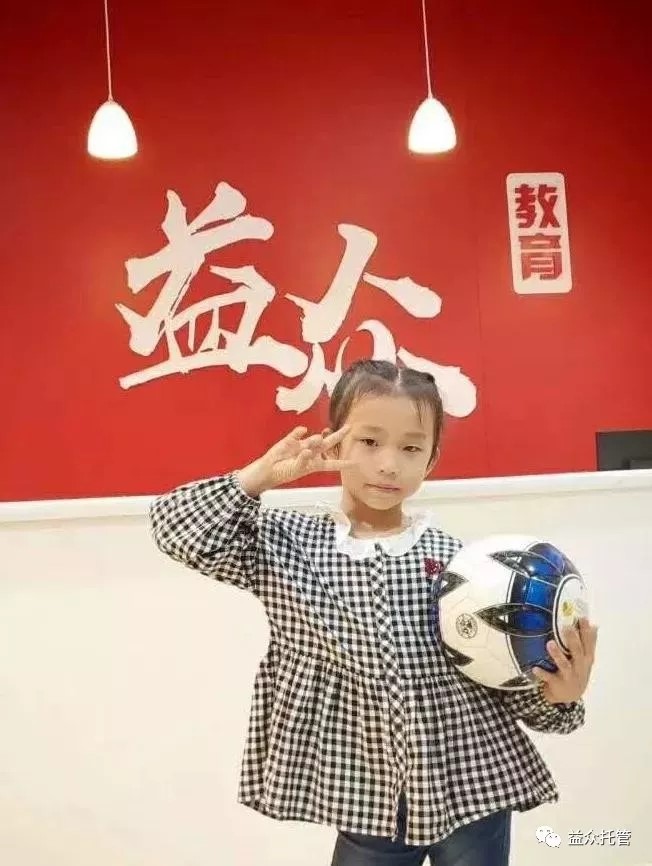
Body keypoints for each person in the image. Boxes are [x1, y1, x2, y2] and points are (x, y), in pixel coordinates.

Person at [149, 359, 597, 865]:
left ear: (431, 459)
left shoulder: (463, 565)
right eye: (369, 441)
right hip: (368, 799)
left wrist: (562, 697)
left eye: (411, 448)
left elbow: (502, 677)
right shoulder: (285, 544)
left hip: (474, 788)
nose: (389, 464)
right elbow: (176, 530)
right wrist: (260, 477)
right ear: (334, 442)